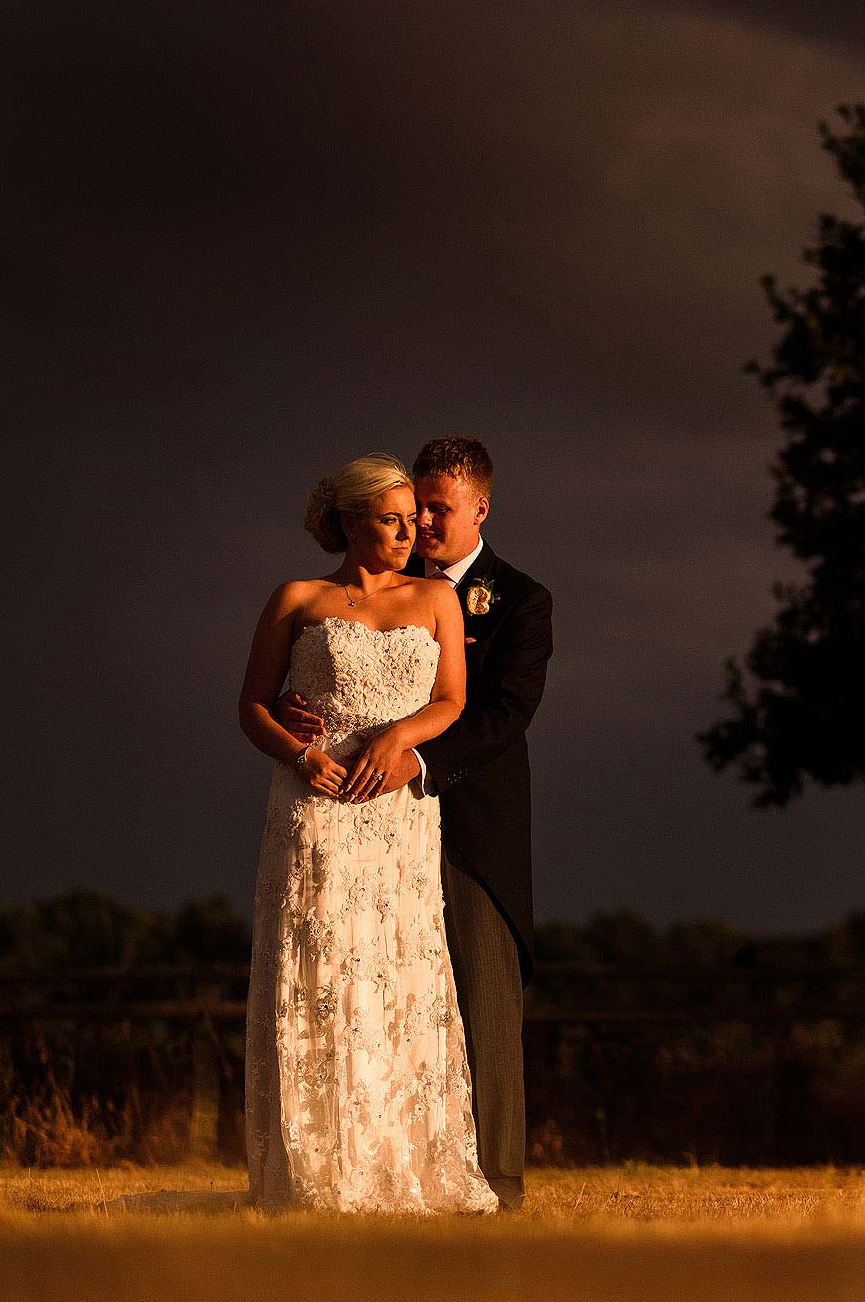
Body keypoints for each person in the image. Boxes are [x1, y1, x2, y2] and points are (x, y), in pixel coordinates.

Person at [277, 435, 552, 1211]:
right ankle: (382, 1167)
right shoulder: (374, 580)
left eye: (439, 508)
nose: (423, 522)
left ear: (480, 509)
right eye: (415, 505)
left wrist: (418, 762)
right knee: (377, 993)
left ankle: (495, 1183)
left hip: (467, 823)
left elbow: (504, 713)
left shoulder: (522, 599)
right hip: (364, 826)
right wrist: (309, 709)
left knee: (480, 1001)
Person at [236, 453, 497, 1214]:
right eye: (392, 518)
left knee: (397, 969)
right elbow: (252, 704)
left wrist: (400, 741)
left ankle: (402, 1164)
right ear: (348, 521)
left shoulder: (437, 598)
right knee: (317, 968)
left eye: (415, 517)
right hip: (313, 808)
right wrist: (300, 752)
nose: (411, 531)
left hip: (395, 810)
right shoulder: (297, 598)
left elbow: (452, 698)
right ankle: (316, 1171)